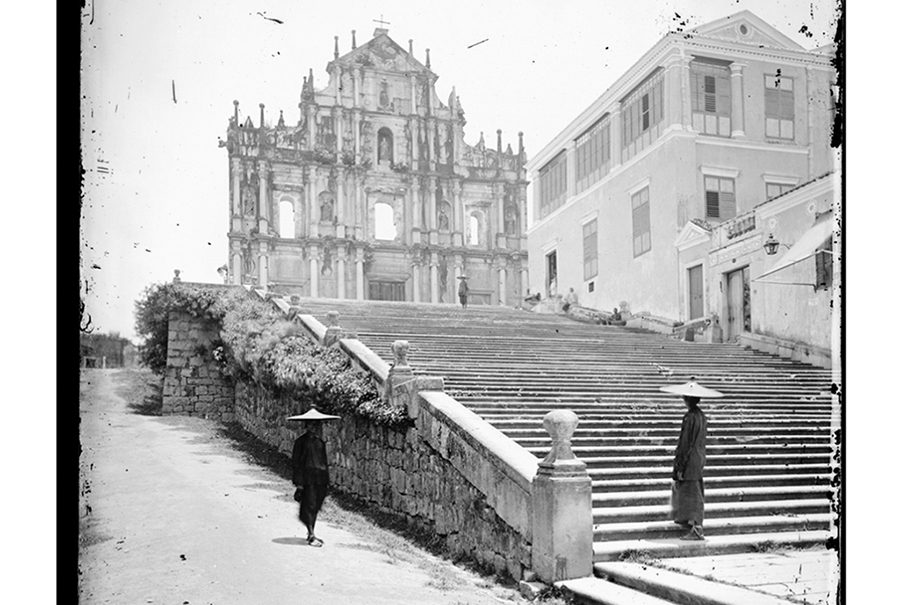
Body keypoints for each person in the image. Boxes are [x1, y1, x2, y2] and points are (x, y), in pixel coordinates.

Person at [659, 379, 724, 541]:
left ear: (686, 399)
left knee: (693, 492)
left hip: (690, 459)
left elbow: (685, 444)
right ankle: (686, 518)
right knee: (690, 489)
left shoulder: (689, 417)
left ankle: (697, 528)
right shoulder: (701, 416)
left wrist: (679, 464)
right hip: (699, 457)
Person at [288, 409, 340, 547]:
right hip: (307, 479)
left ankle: (312, 532)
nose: (313, 427)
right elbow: (296, 463)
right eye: (311, 424)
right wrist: (299, 483)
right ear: (306, 425)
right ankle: (311, 534)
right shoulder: (300, 442)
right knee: (309, 506)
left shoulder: (320, 442)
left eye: (316, 425)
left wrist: (327, 481)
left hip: (320, 480)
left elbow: (324, 463)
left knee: (316, 506)